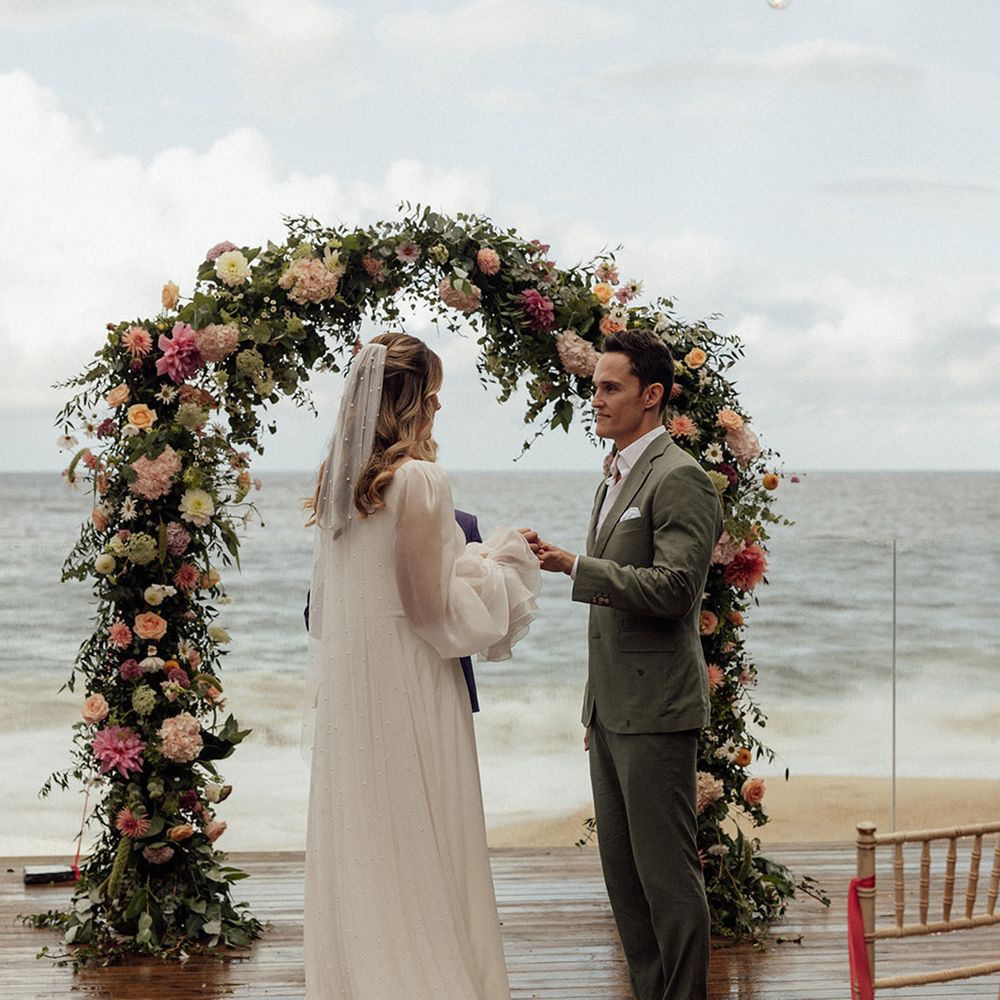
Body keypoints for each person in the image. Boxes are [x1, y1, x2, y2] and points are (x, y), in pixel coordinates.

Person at [302, 332, 539, 999]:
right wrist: (500, 563)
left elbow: (334, 606)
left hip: (357, 688)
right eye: (434, 393)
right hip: (411, 680)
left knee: (373, 831)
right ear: (417, 402)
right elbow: (432, 610)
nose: (439, 406)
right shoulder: (419, 479)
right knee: (426, 828)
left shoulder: (338, 488)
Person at [524, 328, 722, 1000]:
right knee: (626, 883)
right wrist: (594, 709)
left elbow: (674, 592)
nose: (596, 399)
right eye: (594, 386)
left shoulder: (680, 476)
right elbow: (611, 620)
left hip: (659, 712)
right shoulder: (614, 474)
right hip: (611, 712)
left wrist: (575, 566)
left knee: (667, 881)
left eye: (610, 388)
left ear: (653, 394)